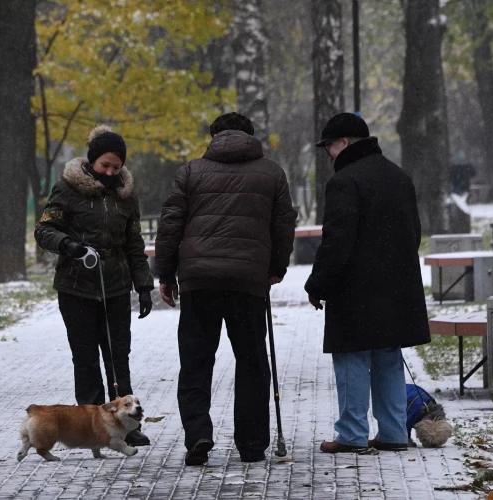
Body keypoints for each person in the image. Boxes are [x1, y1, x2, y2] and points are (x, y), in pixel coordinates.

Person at [153, 112, 297, 465]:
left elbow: (171, 224)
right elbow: (283, 226)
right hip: (248, 282)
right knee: (251, 362)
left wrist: (166, 274)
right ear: (251, 135)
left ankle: (198, 433)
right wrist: (275, 268)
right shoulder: (272, 173)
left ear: (214, 136)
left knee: (196, 361)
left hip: (199, 279)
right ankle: (251, 444)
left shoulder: (190, 171)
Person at [305, 113, 431, 453]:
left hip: (356, 289)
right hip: (396, 286)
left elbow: (337, 241)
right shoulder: (399, 177)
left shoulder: (345, 182)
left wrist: (317, 284)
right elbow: (414, 233)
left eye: (329, 146)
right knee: (388, 356)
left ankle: (351, 434)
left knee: (351, 359)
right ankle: (393, 432)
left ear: (344, 143)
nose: (328, 153)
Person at [34, 125, 154, 447]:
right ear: (93, 161)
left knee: (118, 356)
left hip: (115, 287)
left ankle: (127, 424)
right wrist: (68, 245)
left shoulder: (125, 196)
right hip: (77, 287)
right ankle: (93, 427)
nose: (111, 172)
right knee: (85, 358)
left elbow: (133, 242)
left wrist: (143, 285)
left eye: (116, 167)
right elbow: (44, 231)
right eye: (105, 165)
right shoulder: (67, 189)